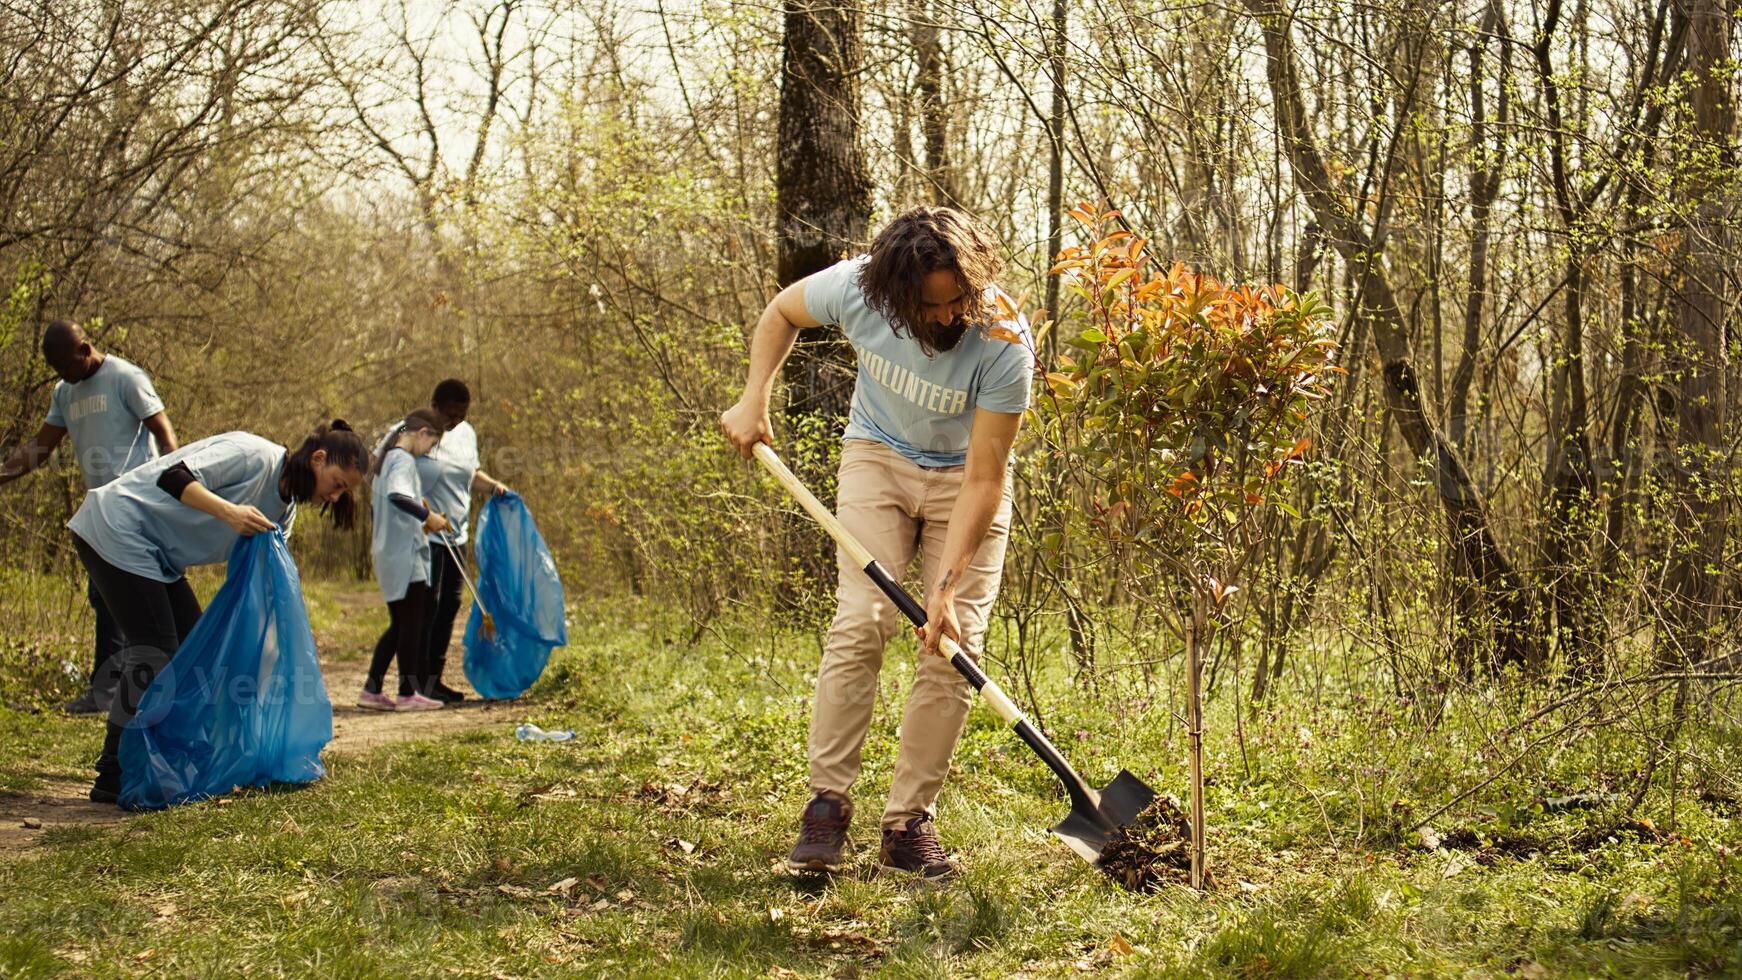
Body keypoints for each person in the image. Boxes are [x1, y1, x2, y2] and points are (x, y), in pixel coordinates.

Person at [719, 206, 1034, 880]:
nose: (951, 319)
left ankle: (907, 825)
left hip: (963, 482)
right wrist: (754, 399)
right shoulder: (856, 288)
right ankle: (826, 807)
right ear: (893, 298)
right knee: (862, 621)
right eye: (933, 307)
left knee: (953, 648)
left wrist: (944, 591)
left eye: (961, 301)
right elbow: (781, 312)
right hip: (877, 460)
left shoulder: (1003, 339)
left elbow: (985, 478)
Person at [69, 420, 369, 804]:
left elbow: (260, 581)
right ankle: (112, 772)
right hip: (117, 525)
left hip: (157, 554)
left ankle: (166, 759)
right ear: (318, 458)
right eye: (338, 483)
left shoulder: (284, 511)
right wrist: (230, 513)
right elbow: (173, 477)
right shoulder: (253, 454)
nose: (334, 496)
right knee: (156, 651)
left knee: (197, 656)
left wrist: (265, 647)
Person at [0, 320, 179, 715]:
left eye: (68, 365)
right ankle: (109, 690)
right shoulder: (64, 392)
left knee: (140, 596)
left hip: (138, 503)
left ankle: (131, 689)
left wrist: (174, 489)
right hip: (100, 507)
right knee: (105, 595)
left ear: (85, 348)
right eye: (58, 371)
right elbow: (41, 447)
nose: (65, 375)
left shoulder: (125, 378)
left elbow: (164, 433)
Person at [414, 379, 507, 703]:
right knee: (429, 605)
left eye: (462, 415)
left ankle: (434, 679)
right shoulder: (419, 433)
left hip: (457, 534)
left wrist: (493, 486)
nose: (455, 421)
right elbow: (397, 475)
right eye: (450, 414)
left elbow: (470, 476)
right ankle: (414, 682)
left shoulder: (467, 435)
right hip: (428, 534)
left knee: (450, 605)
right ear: (434, 406)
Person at [359, 409, 450, 711]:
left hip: (391, 550)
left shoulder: (387, 461)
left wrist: (418, 520)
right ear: (423, 433)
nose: (429, 451)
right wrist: (429, 517)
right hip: (404, 555)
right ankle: (408, 693)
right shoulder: (401, 459)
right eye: (432, 444)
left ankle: (372, 691)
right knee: (410, 624)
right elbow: (398, 496)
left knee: (400, 624)